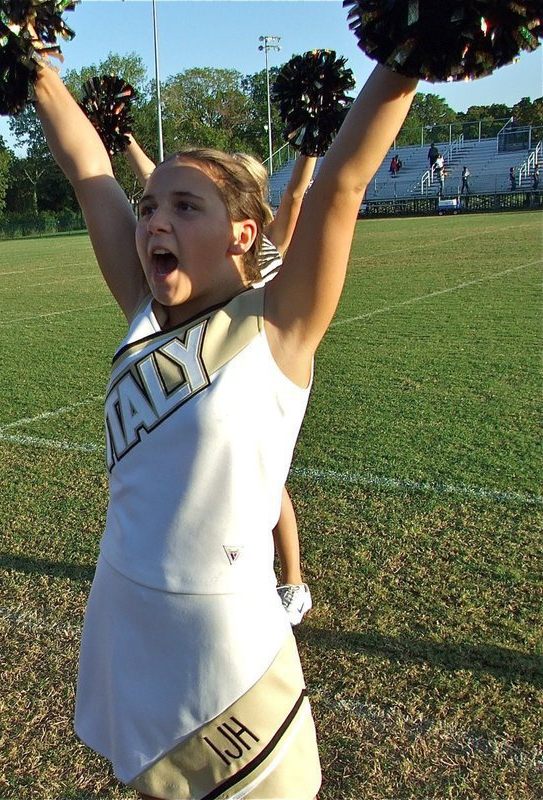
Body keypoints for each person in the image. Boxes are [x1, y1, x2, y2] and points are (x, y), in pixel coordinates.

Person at [34, 49, 417, 798]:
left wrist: (411, 51)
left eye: (184, 206)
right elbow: (87, 170)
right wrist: (32, 65)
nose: (153, 221)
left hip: (225, 649)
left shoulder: (277, 327)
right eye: (148, 207)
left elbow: (341, 182)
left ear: (243, 234)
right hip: (124, 608)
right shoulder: (143, 313)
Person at [122, 132, 317, 625]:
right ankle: (284, 579)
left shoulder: (270, 242)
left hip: (259, 367)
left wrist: (311, 142)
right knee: (258, 486)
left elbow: (298, 195)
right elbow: (156, 182)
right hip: (206, 362)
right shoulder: (197, 238)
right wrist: (126, 142)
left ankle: (292, 581)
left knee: (273, 488)